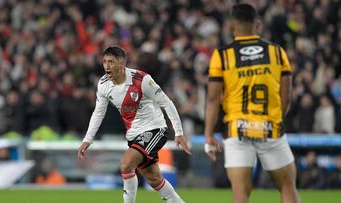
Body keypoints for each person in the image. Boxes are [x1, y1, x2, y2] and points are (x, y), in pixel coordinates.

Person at [204, 4, 300, 203]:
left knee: (240, 191)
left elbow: (213, 98)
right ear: (257, 24)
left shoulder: (222, 55)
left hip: (236, 129)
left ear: (231, 26)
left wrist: (208, 134)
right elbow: (287, 95)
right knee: (287, 186)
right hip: (270, 127)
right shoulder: (277, 52)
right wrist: (275, 119)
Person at [78, 46, 191, 203]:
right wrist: (87, 139)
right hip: (133, 135)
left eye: (111, 62)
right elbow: (98, 113)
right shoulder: (103, 84)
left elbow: (166, 103)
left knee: (126, 164)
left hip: (155, 129)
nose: (106, 66)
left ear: (122, 63)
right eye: (104, 62)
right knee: (154, 179)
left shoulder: (141, 80)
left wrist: (179, 132)